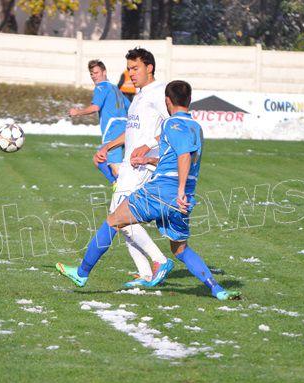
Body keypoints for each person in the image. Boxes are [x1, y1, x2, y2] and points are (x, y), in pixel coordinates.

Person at [56, 80, 241, 300]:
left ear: (167, 101)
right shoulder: (196, 128)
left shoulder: (171, 124)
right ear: (189, 100)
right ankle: (216, 289)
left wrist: (180, 190)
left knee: (113, 220)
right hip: (182, 201)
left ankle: (81, 273)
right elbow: (176, 158)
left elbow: (183, 156)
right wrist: (148, 159)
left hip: (162, 192)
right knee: (180, 249)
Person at [60, 47, 173, 288]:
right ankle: (146, 273)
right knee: (120, 221)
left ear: (149, 68)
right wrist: (109, 145)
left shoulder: (159, 93)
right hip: (129, 166)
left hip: (142, 167)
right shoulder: (139, 96)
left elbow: (173, 126)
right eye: (129, 69)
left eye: (135, 68)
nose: (131, 73)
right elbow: (131, 132)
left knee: (117, 218)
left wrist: (150, 146)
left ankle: (159, 261)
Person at [69, 59, 128, 186]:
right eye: (91, 74)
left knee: (115, 167)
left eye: (96, 73)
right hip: (125, 131)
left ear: (104, 72)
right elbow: (130, 107)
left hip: (112, 131)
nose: (94, 76)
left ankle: (124, 189)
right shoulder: (116, 89)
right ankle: (116, 184)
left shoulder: (101, 87)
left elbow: (95, 107)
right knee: (98, 159)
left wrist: (77, 112)